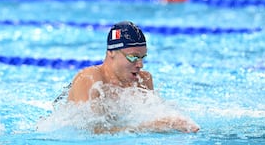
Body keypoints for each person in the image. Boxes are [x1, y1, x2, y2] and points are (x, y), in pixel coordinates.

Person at [66, 21, 200, 133]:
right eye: (133, 57)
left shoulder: (144, 80)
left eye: (142, 57)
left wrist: (174, 124)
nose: (140, 65)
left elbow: (154, 117)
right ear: (111, 52)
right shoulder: (90, 78)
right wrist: (149, 127)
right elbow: (89, 131)